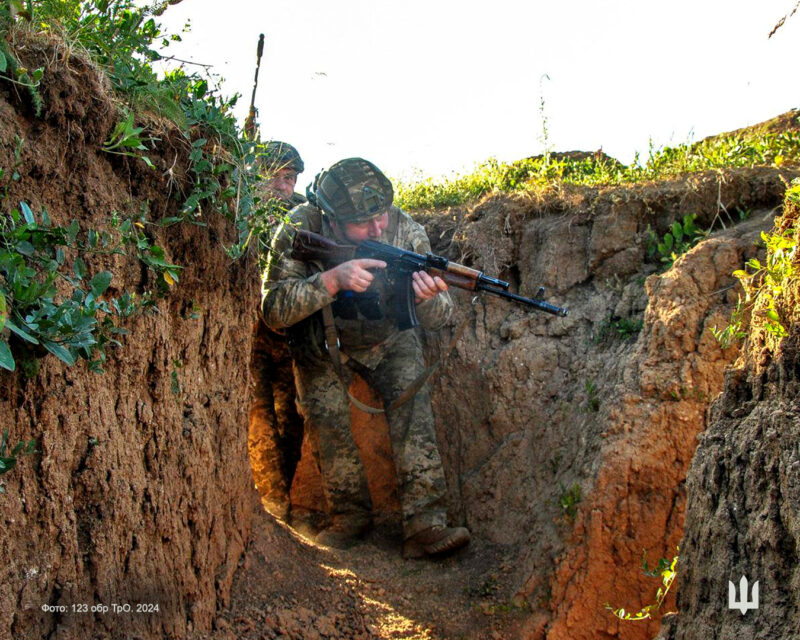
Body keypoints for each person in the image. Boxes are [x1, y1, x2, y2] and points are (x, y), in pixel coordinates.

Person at [261, 157, 470, 558]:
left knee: (414, 406)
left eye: (381, 215)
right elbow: (272, 309)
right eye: (362, 222)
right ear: (332, 219)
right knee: (324, 415)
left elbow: (441, 317)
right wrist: (330, 281)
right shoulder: (300, 227)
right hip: (323, 342)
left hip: (389, 339)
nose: (377, 228)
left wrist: (426, 299)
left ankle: (425, 524)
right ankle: (349, 517)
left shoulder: (406, 230)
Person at [249, 141, 306, 519]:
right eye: (277, 177)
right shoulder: (242, 207)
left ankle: (281, 502)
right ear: (258, 174)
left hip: (289, 336)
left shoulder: (303, 215)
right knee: (258, 414)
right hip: (249, 335)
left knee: (291, 419)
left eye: (291, 179)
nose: (284, 187)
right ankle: (269, 502)